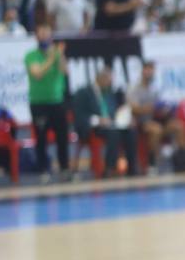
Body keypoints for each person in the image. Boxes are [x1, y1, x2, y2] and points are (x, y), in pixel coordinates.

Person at [24, 23, 70, 182]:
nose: (44, 35)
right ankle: (43, 170)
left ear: (51, 36)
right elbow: (37, 73)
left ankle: (64, 169)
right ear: (37, 36)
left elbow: (65, 71)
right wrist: (52, 57)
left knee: (62, 137)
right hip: (39, 103)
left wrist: (61, 56)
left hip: (57, 102)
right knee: (41, 137)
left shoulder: (57, 55)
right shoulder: (31, 55)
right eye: (41, 33)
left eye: (47, 33)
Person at [72, 67, 135, 176]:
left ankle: (132, 168)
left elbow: (115, 111)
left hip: (112, 124)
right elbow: (80, 115)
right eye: (108, 79)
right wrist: (97, 120)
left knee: (130, 131)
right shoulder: (83, 93)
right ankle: (109, 168)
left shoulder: (110, 92)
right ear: (99, 78)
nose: (110, 82)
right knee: (113, 134)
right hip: (94, 127)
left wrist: (124, 119)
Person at [128, 60, 185, 174]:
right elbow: (133, 108)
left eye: (152, 70)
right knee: (156, 130)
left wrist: (165, 110)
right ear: (143, 71)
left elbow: (160, 105)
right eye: (147, 69)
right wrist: (152, 108)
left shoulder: (155, 88)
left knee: (178, 126)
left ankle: (183, 161)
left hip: (159, 119)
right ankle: (153, 163)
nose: (150, 72)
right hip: (142, 122)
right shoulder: (134, 89)